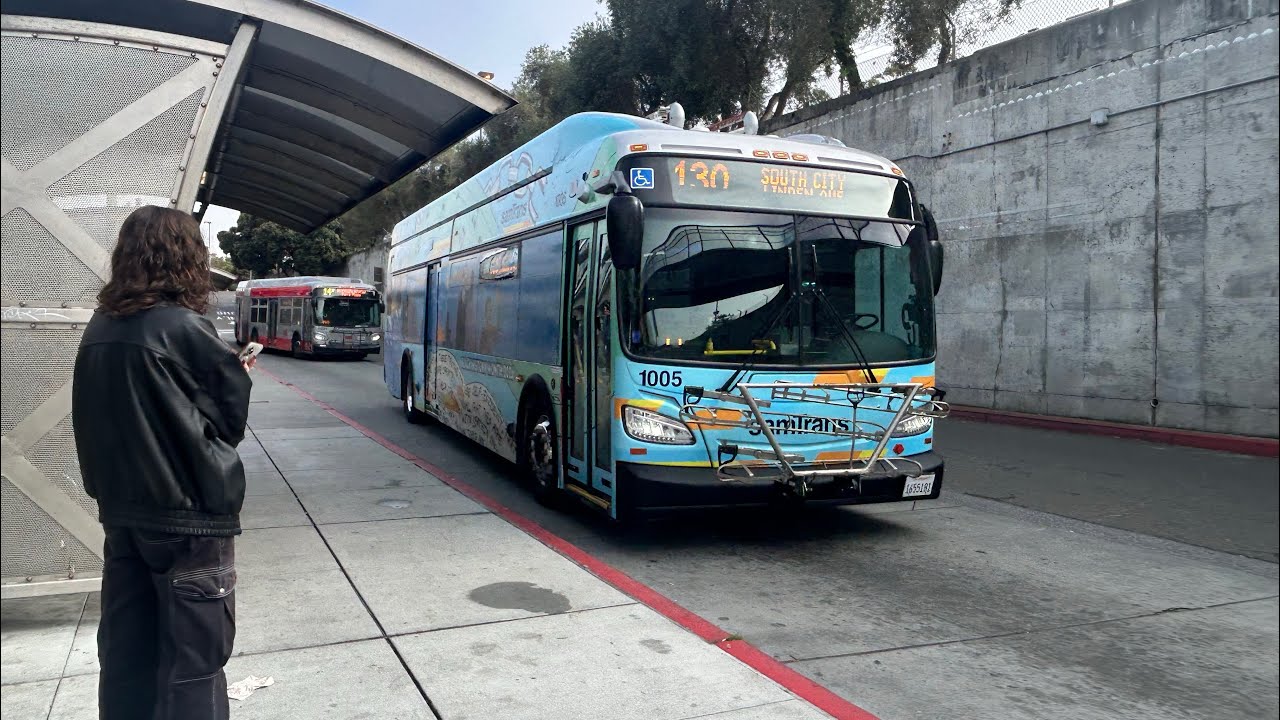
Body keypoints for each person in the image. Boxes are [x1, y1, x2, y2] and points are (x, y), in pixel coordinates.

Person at [72, 205, 253, 720]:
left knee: (128, 652)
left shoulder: (100, 328)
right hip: (189, 520)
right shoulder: (186, 328)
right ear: (187, 257)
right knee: (194, 663)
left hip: (124, 515)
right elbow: (227, 423)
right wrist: (237, 371)